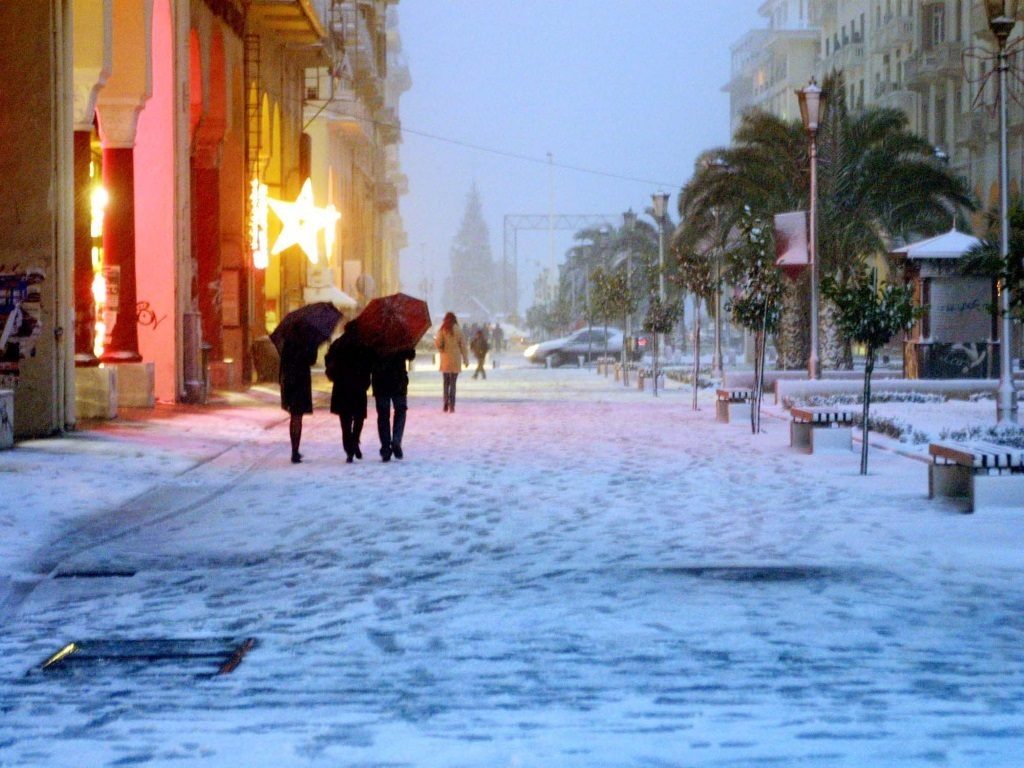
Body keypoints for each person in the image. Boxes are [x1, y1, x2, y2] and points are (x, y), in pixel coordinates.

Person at [325, 321, 375, 464]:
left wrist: (334, 376)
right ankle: (354, 442)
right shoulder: (363, 345)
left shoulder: (338, 344)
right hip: (358, 386)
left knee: (345, 420)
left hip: (342, 386)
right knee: (358, 417)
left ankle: (349, 448)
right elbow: (370, 363)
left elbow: (328, 361)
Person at [279, 335, 319, 464]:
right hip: (301, 381)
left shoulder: (287, 344)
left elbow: (283, 363)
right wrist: (314, 345)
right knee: (298, 416)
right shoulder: (307, 342)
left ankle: (294, 449)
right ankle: (295, 450)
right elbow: (312, 360)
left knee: (294, 416)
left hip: (290, 381)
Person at [372, 347, 415, 462]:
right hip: (398, 380)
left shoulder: (374, 338)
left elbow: (368, 358)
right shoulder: (401, 337)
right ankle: (396, 440)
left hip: (380, 381)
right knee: (400, 411)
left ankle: (386, 447)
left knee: (383, 415)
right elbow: (411, 355)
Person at [435, 311, 468, 412]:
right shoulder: (458, 330)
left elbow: (438, 343)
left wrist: (440, 349)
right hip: (455, 360)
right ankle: (452, 405)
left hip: (445, 359)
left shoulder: (442, 329)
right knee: (453, 384)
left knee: (446, 383)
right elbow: (463, 346)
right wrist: (465, 359)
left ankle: (445, 403)